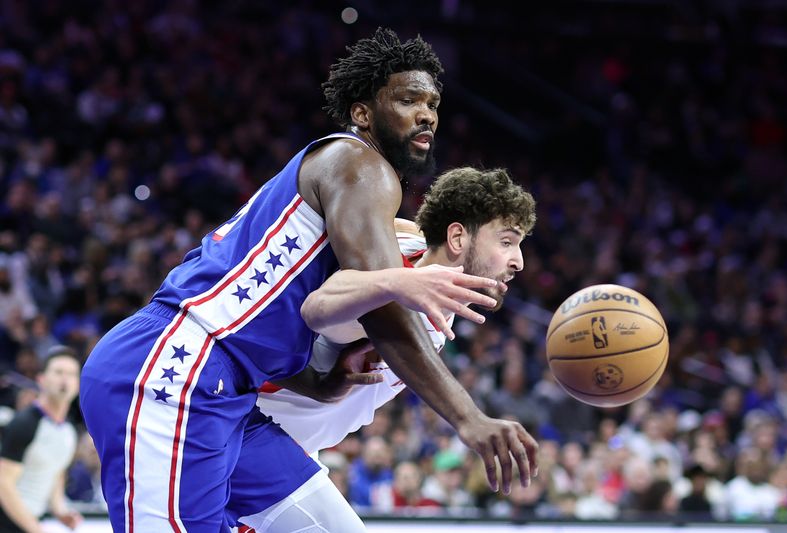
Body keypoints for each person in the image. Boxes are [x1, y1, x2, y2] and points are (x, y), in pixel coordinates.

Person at [79, 27, 538, 532]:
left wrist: (318, 381)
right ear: (363, 113)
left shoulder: (365, 193)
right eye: (408, 99)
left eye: (433, 103)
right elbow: (379, 306)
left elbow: (279, 316)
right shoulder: (359, 164)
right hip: (179, 369)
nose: (427, 113)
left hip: (230, 387)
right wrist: (469, 418)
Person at [229, 166, 536, 529]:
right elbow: (317, 307)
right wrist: (395, 283)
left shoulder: (409, 242)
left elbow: (405, 231)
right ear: (457, 239)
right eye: (506, 242)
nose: (519, 261)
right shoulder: (395, 293)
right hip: (245, 434)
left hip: (289, 445)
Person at [0, 346, 83, 533]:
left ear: (78, 384)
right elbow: (3, 484)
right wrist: (36, 529)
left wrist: (61, 511)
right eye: (58, 372)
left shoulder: (68, 432)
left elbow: (55, 474)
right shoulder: (25, 423)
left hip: (29, 523)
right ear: (41, 380)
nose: (65, 379)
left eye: (71, 374)